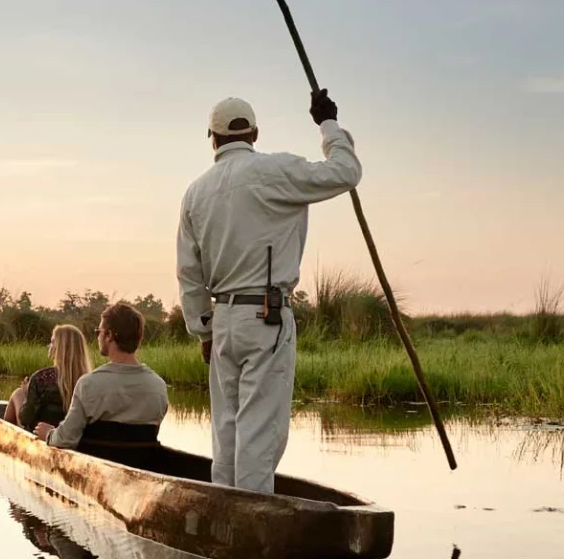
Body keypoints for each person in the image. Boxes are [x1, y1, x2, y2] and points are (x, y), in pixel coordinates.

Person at [176, 92, 362, 493]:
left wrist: (203, 331)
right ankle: (251, 528)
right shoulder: (278, 170)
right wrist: (328, 124)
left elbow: (189, 275)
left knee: (226, 433)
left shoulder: (195, 193)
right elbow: (345, 171)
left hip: (223, 320)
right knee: (259, 432)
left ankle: (222, 517)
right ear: (255, 133)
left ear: (212, 137)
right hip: (267, 318)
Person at [33, 302, 168, 468]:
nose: (97, 337)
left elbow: (65, 439)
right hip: (143, 471)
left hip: (97, 473)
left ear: (109, 335)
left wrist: (48, 434)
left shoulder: (89, 384)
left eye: (99, 332)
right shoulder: (158, 386)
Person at [4, 324, 92, 431]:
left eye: (52, 342)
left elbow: (25, 419)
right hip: (72, 434)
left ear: (60, 347)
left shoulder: (41, 378)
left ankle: (5, 437)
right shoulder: (89, 380)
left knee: (17, 393)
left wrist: (28, 392)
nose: (49, 346)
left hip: (40, 433)